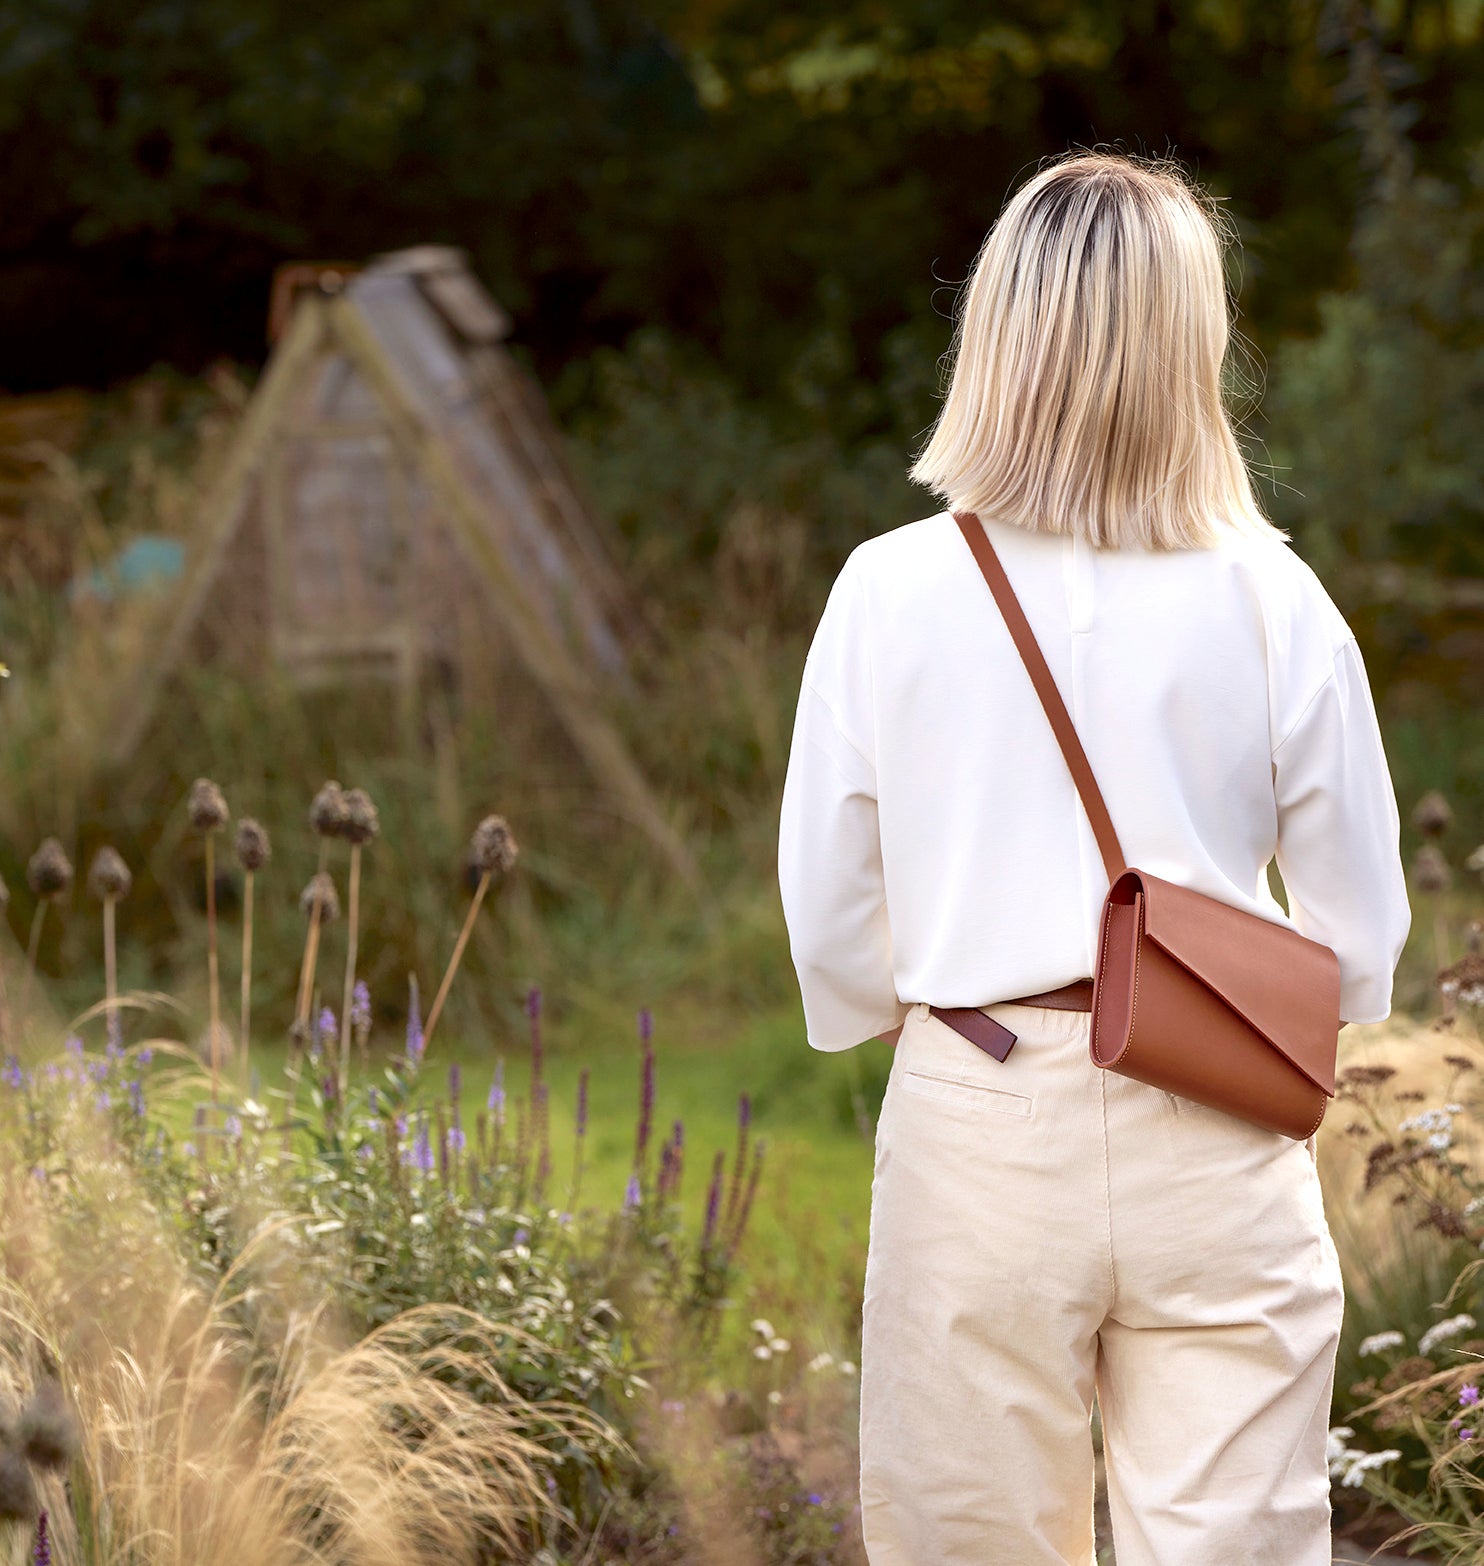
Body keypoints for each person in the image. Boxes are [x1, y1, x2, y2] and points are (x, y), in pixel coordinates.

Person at [775, 150, 1411, 1566]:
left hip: (981, 1095)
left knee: (967, 1533)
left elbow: (827, 906)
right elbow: (1361, 934)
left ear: (995, 334)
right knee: (1239, 1540)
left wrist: (901, 1011)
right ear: (1194, 347)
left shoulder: (888, 591)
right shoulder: (1275, 596)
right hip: (1220, 1099)